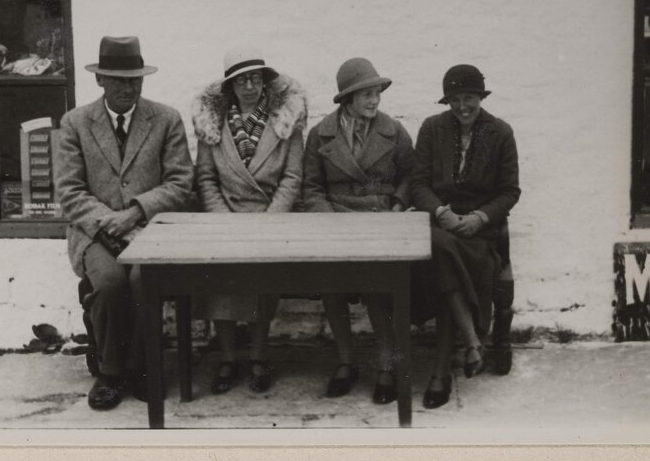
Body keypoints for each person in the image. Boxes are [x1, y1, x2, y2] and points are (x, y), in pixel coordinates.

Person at [55, 36, 194, 411]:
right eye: (117, 80)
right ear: (100, 80)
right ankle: (111, 372)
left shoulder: (166, 119)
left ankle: (144, 368)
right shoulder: (75, 123)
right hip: (94, 232)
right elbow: (69, 190)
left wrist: (136, 212)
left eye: (134, 80)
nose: (127, 88)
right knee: (111, 283)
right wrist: (108, 222)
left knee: (142, 280)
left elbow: (181, 183)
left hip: (150, 228)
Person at [191, 45, 307, 395]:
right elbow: (206, 178)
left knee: (261, 285)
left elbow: (292, 177)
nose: (249, 87)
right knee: (221, 287)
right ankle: (227, 358)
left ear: (265, 83)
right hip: (224, 218)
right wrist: (223, 221)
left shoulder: (285, 124)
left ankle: (258, 357)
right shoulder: (213, 126)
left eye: (255, 79)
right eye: (241, 81)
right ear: (230, 87)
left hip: (268, 216)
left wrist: (269, 222)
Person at [301, 57, 414, 404]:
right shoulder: (320, 135)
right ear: (347, 99)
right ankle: (346, 362)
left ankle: (386, 366)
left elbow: (413, 176)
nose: (374, 100)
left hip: (379, 221)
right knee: (332, 287)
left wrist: (396, 205)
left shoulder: (394, 132)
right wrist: (329, 221)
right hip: (335, 221)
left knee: (379, 289)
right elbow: (311, 188)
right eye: (366, 94)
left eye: (376, 92)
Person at [410, 64, 520, 409]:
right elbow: (418, 183)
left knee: (447, 266)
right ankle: (470, 343)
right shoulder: (432, 128)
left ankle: (443, 372)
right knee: (442, 248)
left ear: (480, 98)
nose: (462, 107)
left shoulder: (500, 133)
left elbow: (509, 191)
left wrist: (479, 217)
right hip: (440, 227)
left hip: (477, 235)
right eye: (454, 99)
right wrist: (441, 213)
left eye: (468, 98)